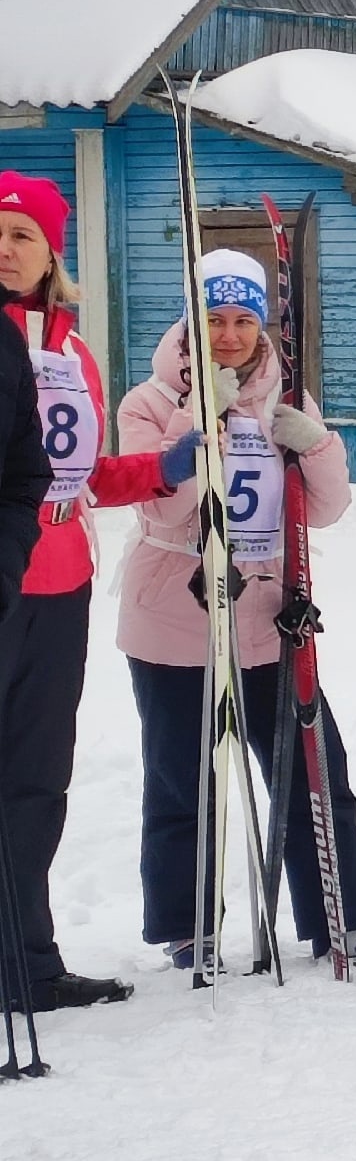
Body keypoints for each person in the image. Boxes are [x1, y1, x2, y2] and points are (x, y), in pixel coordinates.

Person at [119, 249, 356, 968]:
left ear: (262, 326)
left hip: (267, 620)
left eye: (243, 319)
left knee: (315, 771)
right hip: (175, 620)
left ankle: (344, 920)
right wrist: (198, 429)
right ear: (192, 324)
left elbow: (326, 510)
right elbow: (157, 504)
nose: (229, 334)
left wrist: (315, 444)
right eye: (215, 318)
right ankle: (187, 931)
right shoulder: (150, 402)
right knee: (181, 781)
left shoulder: (285, 398)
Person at [0, 171, 139, 1012]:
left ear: (53, 250)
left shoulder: (73, 348)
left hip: (60, 585)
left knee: (38, 783)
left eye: (22, 234)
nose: (6, 248)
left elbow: (77, 476)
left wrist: (160, 469)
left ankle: (29, 960)